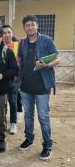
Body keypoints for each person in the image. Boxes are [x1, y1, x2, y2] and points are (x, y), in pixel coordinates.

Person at [18, 15, 59, 160]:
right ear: (24, 27)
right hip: (25, 86)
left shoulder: (47, 40)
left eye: (32, 24)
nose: (30, 27)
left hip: (42, 86)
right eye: (27, 25)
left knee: (43, 116)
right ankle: (29, 138)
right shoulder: (22, 43)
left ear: (37, 26)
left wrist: (46, 65)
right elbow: (20, 62)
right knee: (28, 114)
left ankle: (47, 145)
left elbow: (57, 58)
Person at [2, 24, 22, 134]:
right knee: (1, 102)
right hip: (1, 79)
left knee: (12, 101)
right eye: (4, 33)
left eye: (9, 32)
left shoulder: (18, 45)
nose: (6, 35)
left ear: (12, 33)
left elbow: (22, 61)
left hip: (14, 79)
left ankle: (13, 123)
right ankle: (2, 120)